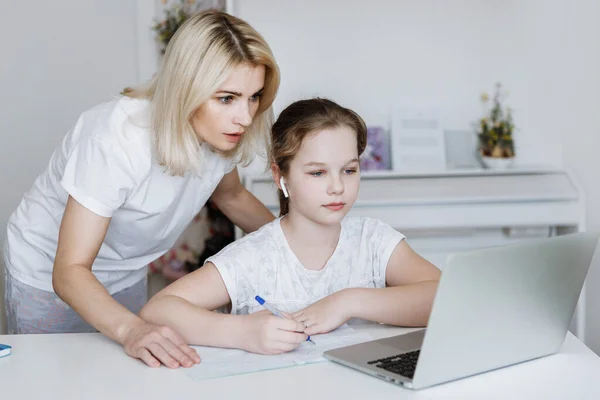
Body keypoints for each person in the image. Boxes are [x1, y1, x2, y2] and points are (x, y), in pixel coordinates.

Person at [3, 10, 279, 368]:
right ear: (186, 88)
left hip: (125, 271)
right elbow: (69, 271)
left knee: (120, 376)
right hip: (47, 273)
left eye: (254, 96)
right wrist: (132, 329)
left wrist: (293, 242)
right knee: (53, 378)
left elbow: (231, 196)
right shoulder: (118, 138)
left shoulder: (220, 135)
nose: (244, 116)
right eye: (226, 98)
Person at [139, 98, 441, 356]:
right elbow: (158, 310)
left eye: (349, 170)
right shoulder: (255, 256)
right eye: (318, 173)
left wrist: (349, 301)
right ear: (280, 176)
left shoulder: (373, 241)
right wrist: (242, 331)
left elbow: (443, 296)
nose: (337, 187)